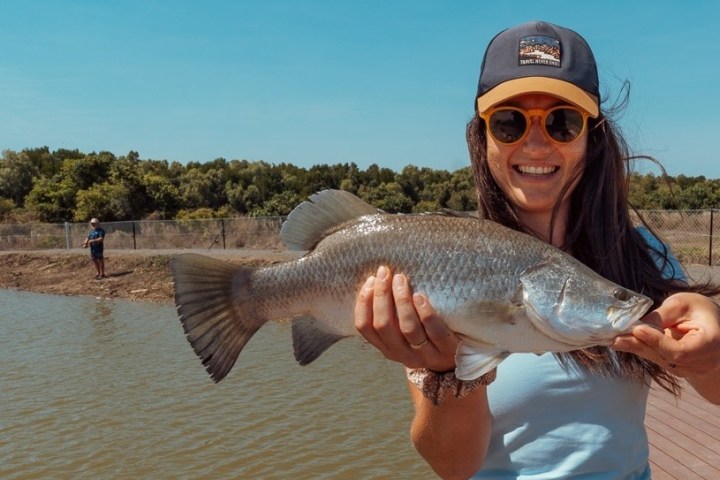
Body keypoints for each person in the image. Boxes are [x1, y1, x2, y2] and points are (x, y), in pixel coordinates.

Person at [354, 21, 720, 479]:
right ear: (482, 137)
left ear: (593, 136)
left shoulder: (645, 253)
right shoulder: (439, 257)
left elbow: (716, 388)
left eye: (562, 122)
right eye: (508, 123)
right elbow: (453, 466)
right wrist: (444, 373)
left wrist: (711, 350)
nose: (535, 142)